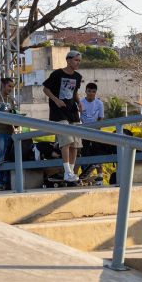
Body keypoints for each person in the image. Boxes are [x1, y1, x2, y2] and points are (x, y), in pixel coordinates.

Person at [44, 49, 85, 184]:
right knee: (66, 141)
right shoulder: (57, 74)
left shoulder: (77, 77)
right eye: (75, 60)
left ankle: (71, 172)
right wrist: (56, 100)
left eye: (79, 61)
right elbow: (45, 89)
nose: (78, 63)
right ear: (68, 60)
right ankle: (67, 171)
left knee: (75, 144)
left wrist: (79, 103)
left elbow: (74, 92)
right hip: (58, 112)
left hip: (72, 111)